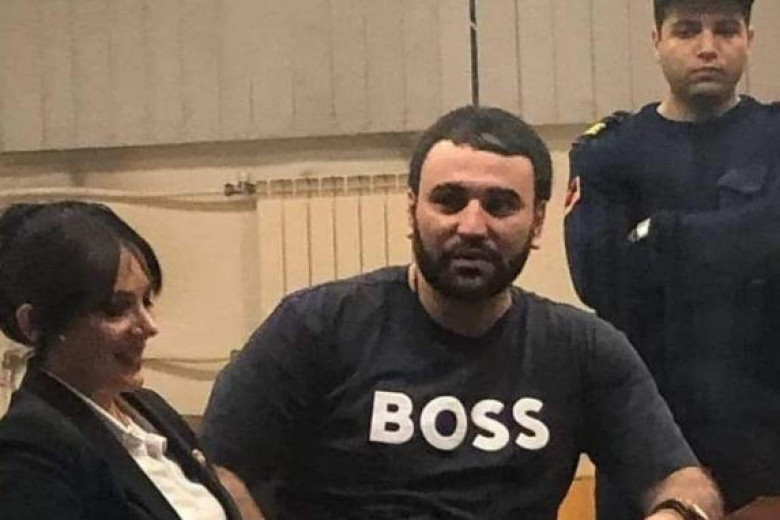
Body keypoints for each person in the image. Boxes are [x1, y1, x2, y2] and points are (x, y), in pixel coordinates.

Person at [202, 105, 723, 520]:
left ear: (538, 221)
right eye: (449, 201)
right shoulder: (314, 326)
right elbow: (216, 470)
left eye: (500, 205)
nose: (472, 226)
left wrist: (678, 512)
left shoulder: (584, 349)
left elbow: (685, 483)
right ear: (412, 211)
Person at [565, 0, 780, 518]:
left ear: (749, 39)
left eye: (725, 30)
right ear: (656, 40)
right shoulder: (607, 151)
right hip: (646, 439)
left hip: (767, 433)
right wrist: (747, 240)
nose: (707, 47)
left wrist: (662, 234)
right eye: (687, 30)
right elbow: (602, 281)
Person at [0, 201, 263, 519]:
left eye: (146, 301)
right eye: (116, 309)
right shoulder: (31, 448)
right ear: (35, 323)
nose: (149, 326)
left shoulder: (148, 408)